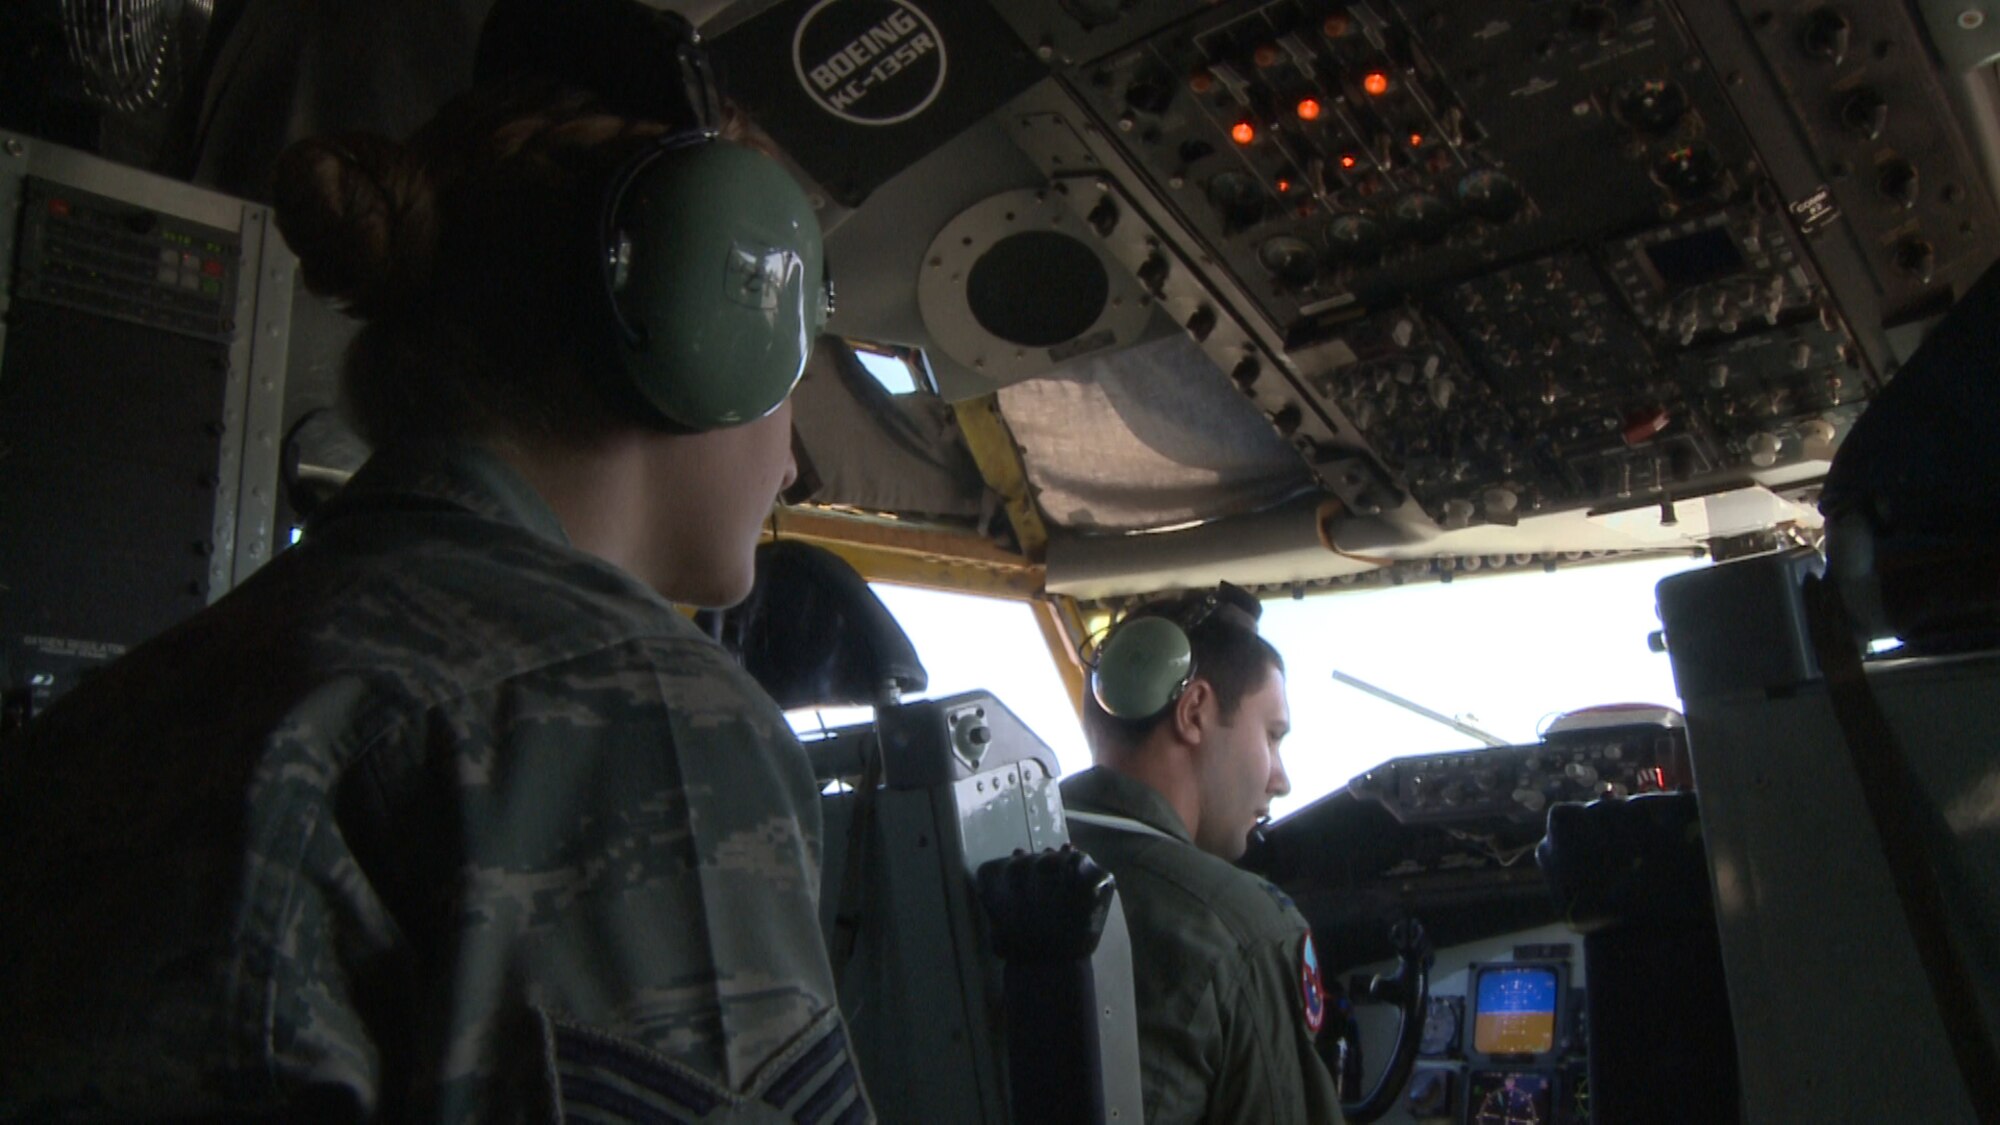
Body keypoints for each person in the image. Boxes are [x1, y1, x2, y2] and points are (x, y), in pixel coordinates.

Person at [0, 4, 872, 1121]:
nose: (791, 463)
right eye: (792, 373)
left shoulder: (126, 709)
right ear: (710, 334)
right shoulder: (624, 713)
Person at [1060, 585, 1344, 1124]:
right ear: (1193, 712)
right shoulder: (1242, 929)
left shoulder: (986, 863)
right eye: (1273, 735)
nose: (1281, 781)